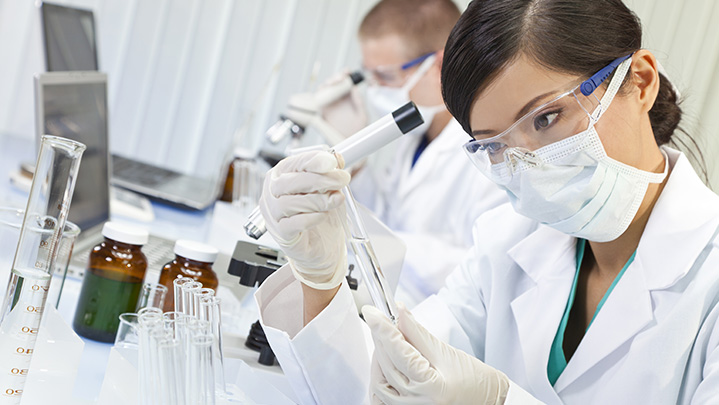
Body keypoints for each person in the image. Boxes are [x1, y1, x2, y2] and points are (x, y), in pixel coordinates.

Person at [255, 0, 719, 404]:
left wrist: (499, 400)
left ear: (639, 82)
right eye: (496, 145)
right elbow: (377, 390)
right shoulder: (505, 244)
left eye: (546, 118)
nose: (530, 164)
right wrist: (319, 280)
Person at [321, 0, 508, 306]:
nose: (376, 89)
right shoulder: (416, 135)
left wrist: (387, 245)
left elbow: (484, 267)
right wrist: (352, 152)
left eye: (387, 77)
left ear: (439, 64)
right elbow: (378, 217)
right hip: (392, 302)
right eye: (370, 77)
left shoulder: (491, 150)